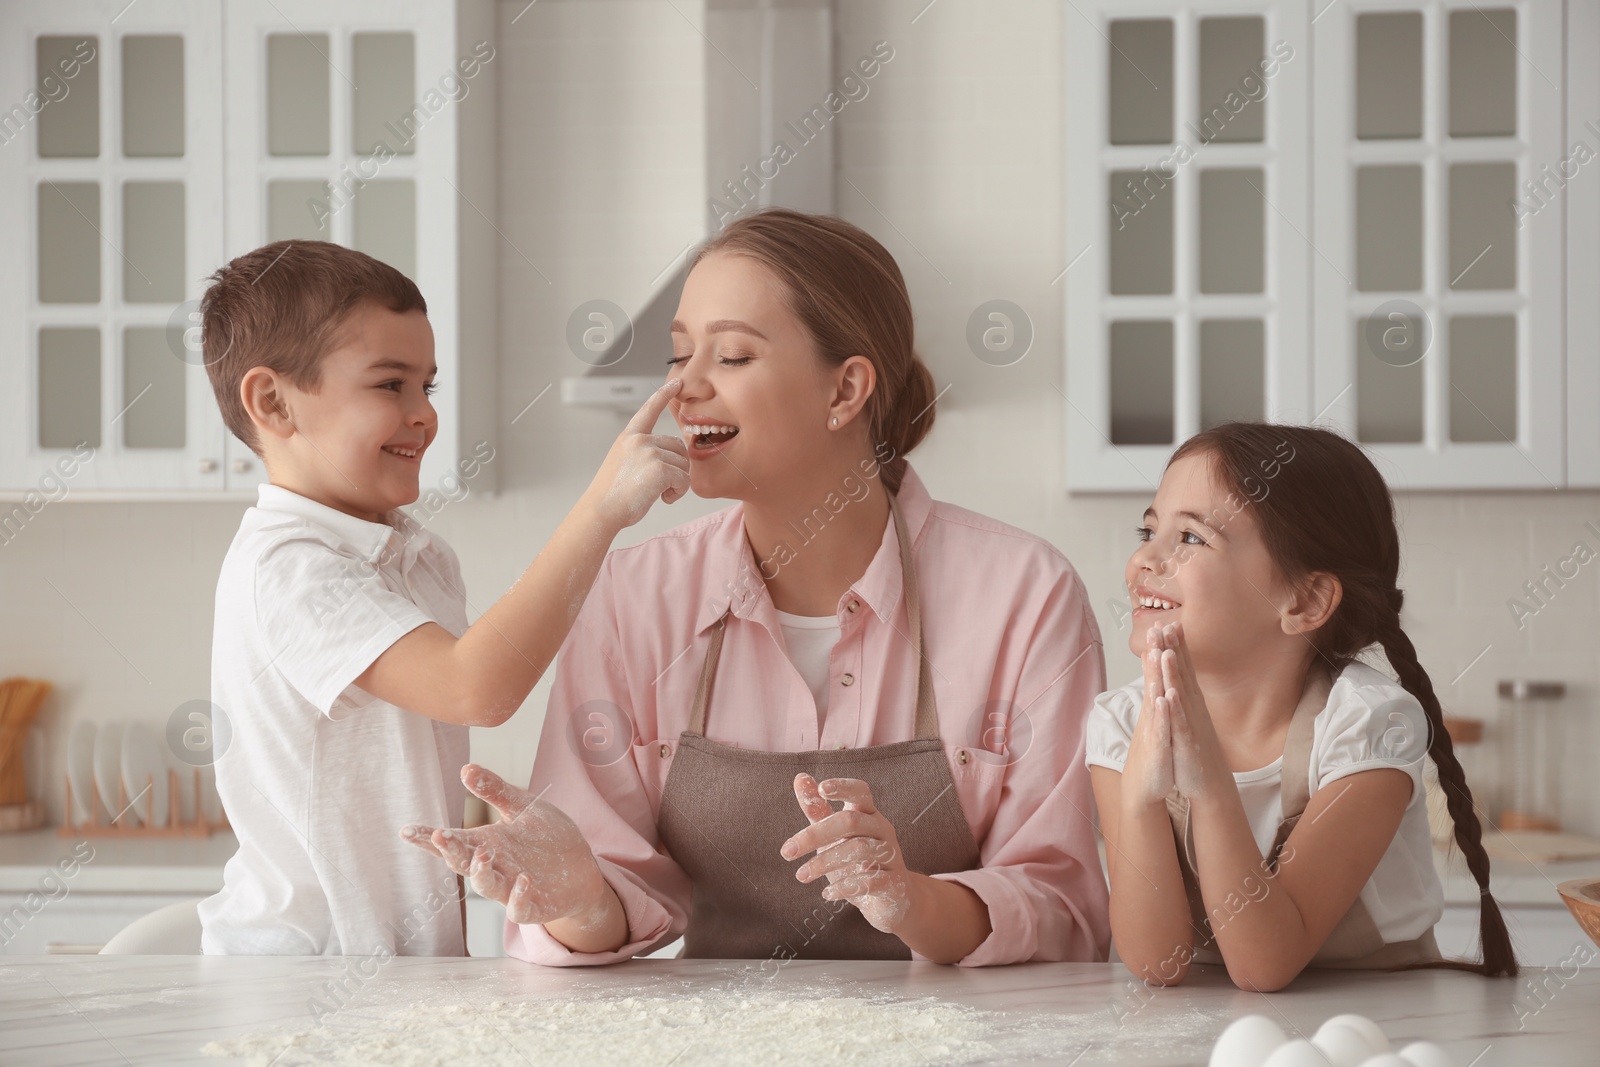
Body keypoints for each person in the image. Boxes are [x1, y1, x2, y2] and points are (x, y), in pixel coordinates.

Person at [404, 209, 1110, 967]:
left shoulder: (1025, 595)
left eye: (733, 355)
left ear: (845, 390)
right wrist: (579, 897)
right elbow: (606, 893)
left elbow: (1064, 904)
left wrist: (912, 896)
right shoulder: (635, 595)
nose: (684, 387)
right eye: (679, 355)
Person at [197, 240, 689, 954]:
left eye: (427, 386)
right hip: (306, 976)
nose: (423, 414)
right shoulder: (287, 567)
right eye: (388, 385)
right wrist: (602, 508)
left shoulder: (421, 556)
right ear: (273, 401)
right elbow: (473, 688)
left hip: (406, 970)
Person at [1087, 423, 1517, 990]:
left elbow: (1266, 962)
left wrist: (1208, 784)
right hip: (1210, 1028)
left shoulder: (1369, 724)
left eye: (1190, 538)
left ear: (1306, 600)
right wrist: (1142, 801)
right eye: (1148, 528)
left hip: (1381, 1014)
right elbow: (1156, 963)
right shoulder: (1121, 724)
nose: (1145, 557)